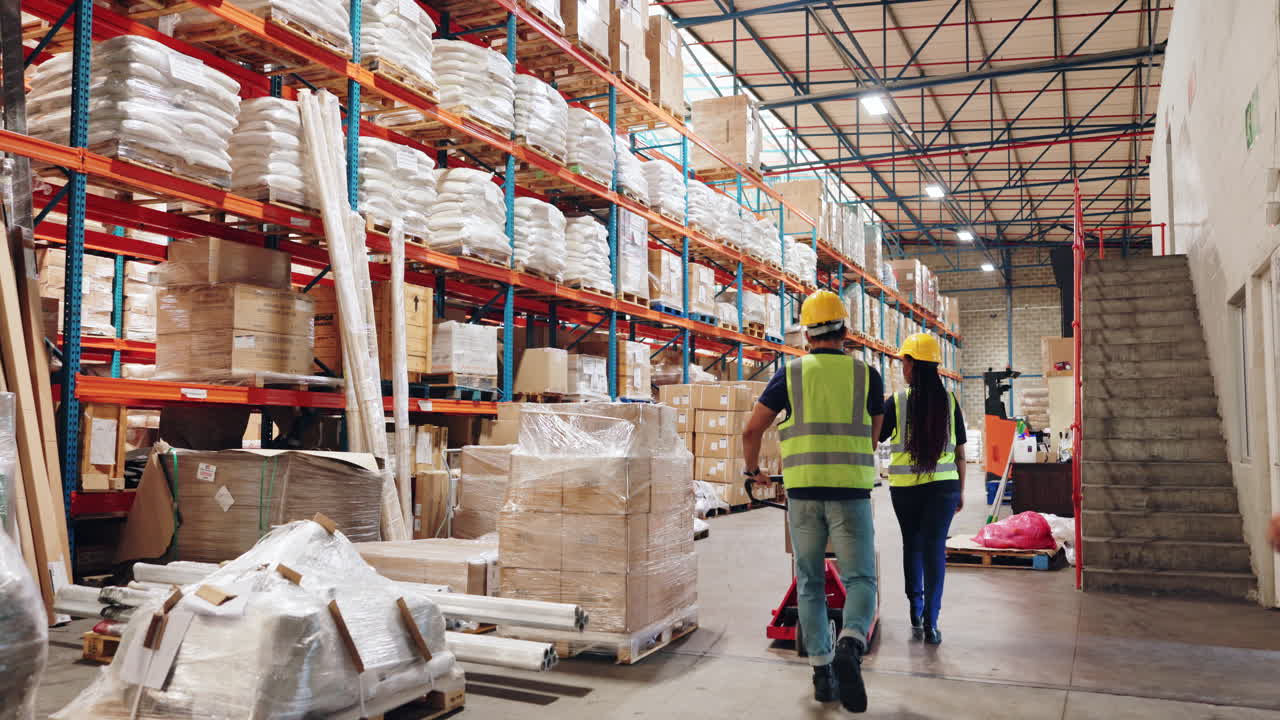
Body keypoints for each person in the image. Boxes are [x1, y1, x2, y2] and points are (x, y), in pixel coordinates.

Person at [742, 290, 884, 713]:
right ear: (846, 331)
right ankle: (851, 643)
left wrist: (753, 472)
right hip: (852, 493)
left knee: (810, 582)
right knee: (860, 580)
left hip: (803, 495)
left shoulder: (792, 374)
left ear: (806, 333)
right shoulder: (867, 376)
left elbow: (752, 430)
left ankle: (823, 673)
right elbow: (872, 437)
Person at [880, 333, 966, 646]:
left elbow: (876, 435)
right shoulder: (950, 401)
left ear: (912, 364)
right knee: (934, 550)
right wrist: (961, 490)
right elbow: (959, 452)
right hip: (944, 488)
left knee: (912, 545)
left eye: (904, 361)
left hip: (904, 490)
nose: (902, 367)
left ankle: (915, 612)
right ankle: (932, 621)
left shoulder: (897, 402)